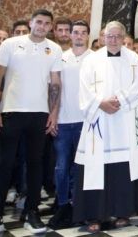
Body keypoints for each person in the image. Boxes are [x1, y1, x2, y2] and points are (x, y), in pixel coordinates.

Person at [0, 10, 62, 237]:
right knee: (5, 162)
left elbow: (55, 84)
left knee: (35, 163)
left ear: (50, 27)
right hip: (11, 111)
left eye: (47, 23)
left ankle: (32, 211)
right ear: (31, 23)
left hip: (39, 113)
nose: (42, 26)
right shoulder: (10, 44)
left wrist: (53, 113)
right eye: (39, 22)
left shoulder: (53, 49)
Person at [73, 21, 138, 232]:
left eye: (117, 36)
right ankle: (94, 215)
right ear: (102, 37)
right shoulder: (91, 60)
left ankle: (122, 212)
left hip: (123, 121)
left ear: (124, 37)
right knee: (95, 165)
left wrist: (120, 100)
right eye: (108, 36)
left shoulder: (133, 59)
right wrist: (100, 103)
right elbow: (84, 88)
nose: (112, 40)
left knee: (123, 165)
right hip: (99, 120)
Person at [47, 20, 93, 230]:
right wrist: (53, 116)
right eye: (76, 32)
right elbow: (54, 88)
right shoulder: (60, 57)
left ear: (88, 36)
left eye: (83, 32)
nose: (79, 36)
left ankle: (78, 205)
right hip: (64, 120)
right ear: (71, 35)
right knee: (61, 166)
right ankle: (63, 205)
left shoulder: (94, 59)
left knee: (81, 167)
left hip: (86, 121)